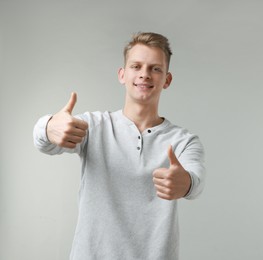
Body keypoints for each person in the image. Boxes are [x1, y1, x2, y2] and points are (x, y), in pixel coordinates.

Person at [33, 32, 206, 260]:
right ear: (122, 75)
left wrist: (186, 183)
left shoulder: (184, 141)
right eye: (136, 66)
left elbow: (196, 181)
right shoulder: (94, 126)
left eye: (155, 68)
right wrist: (48, 127)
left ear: (167, 79)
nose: (144, 74)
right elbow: (45, 144)